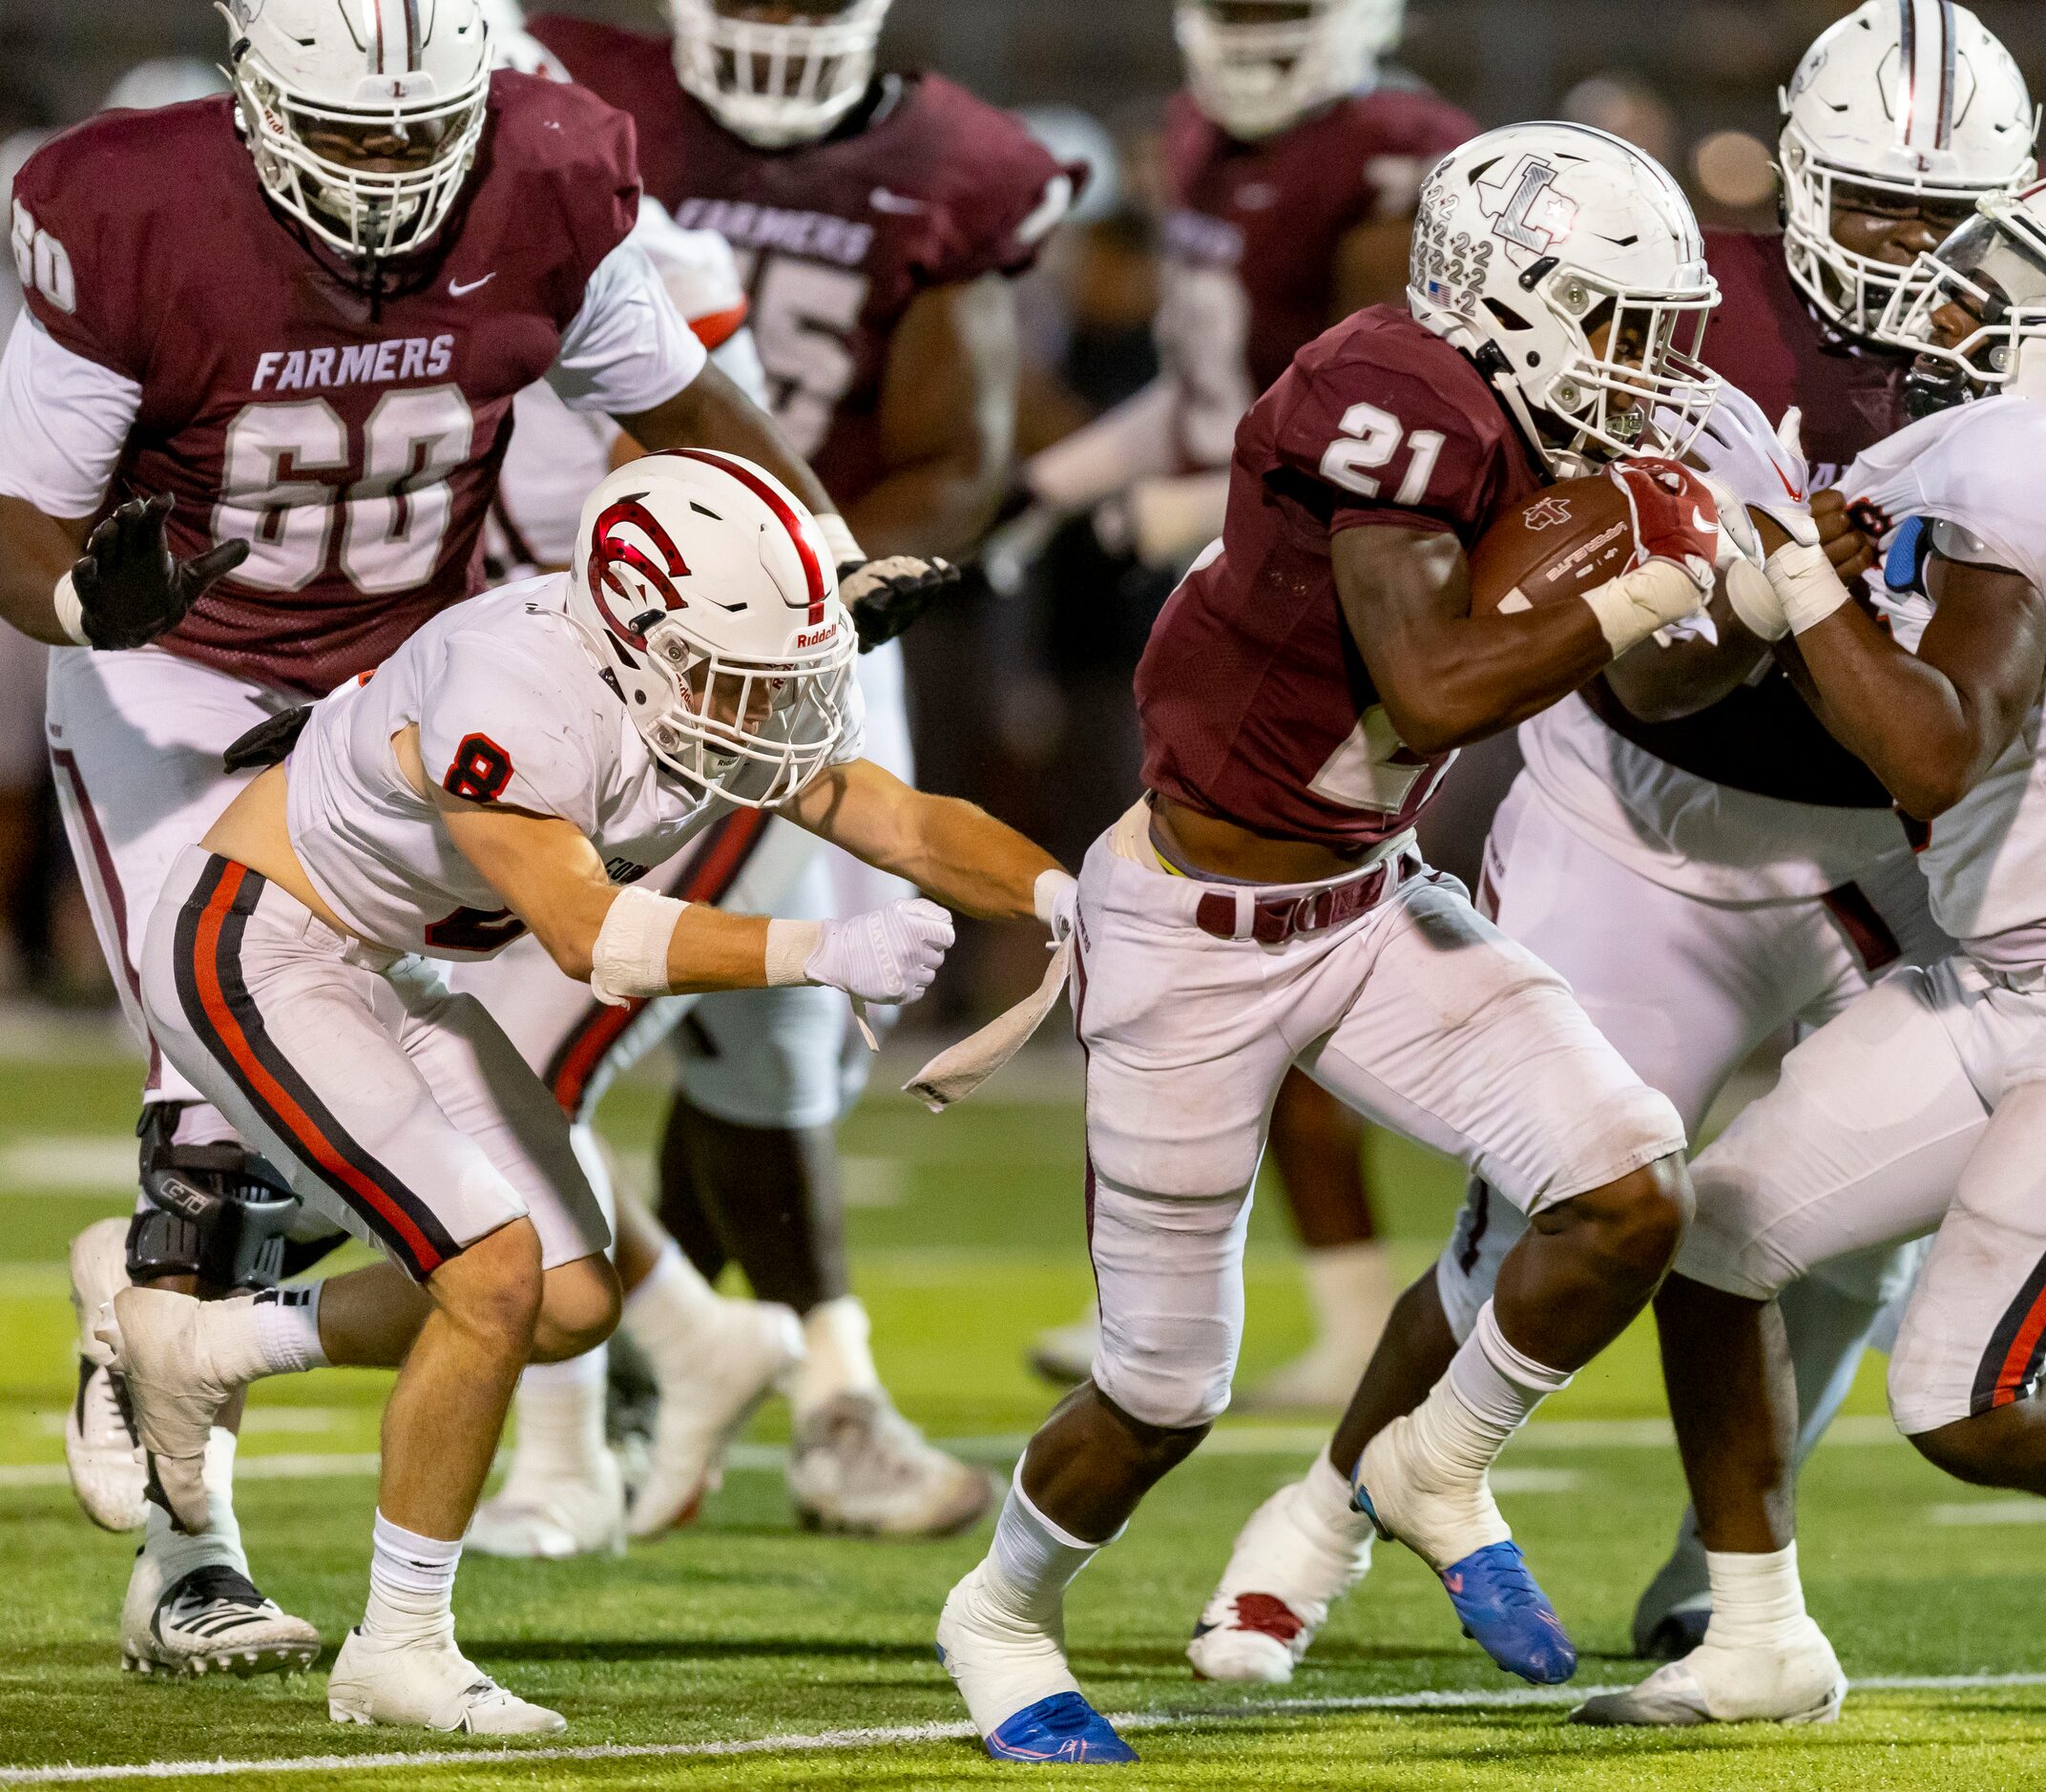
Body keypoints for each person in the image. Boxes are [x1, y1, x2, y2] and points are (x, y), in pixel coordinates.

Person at [1181, 0, 2046, 1704]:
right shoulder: (1686, 314)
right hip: (1646, 818)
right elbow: (1652, 661)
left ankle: (1989, 1569)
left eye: (1953, 218)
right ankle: (1316, 1519)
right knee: (1543, 1211)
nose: (1918, 257)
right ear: (1799, 170)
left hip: (1906, 845)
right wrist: (1754, 598)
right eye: (1880, 207)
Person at [5, 0, 908, 1677]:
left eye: (423, 135)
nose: (387, 176)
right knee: (216, 1107)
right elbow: (24, 524)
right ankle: (189, 1555)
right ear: (259, 93)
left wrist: (824, 559)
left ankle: (159, 1321)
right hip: (173, 680)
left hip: (397, 679)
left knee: (340, 1130)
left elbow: (686, 401)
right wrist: (74, 596)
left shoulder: (555, 177)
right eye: (349, 136)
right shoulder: (124, 208)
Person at [932, 121, 1735, 1763]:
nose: (1640, 369)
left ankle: (1434, 1456)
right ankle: (999, 1609)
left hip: (1365, 903)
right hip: (1192, 934)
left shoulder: (1535, 424)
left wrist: (1761, 600)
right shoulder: (1390, 393)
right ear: (1504, 297)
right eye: (1610, 322)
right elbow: (1437, 685)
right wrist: (1646, 583)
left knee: (1630, 1183)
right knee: (1162, 1392)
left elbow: (1644, 687)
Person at [94, 448, 1065, 1733]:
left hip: (386, 958)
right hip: (258, 940)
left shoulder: (684, 676)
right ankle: (398, 1644)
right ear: (634, 631)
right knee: (492, 1276)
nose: (760, 703)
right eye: (738, 672)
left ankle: (209, 1341)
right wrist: (823, 949)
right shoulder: (519, 685)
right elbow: (587, 938)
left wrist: (1071, 901)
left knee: (569, 1299)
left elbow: (904, 822)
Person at [1576, 170, 2046, 1737]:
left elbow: (1927, 751)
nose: (1951, 309)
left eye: (2005, 293)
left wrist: (1794, 575)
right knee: (1713, 1245)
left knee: (1959, 1397)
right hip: (2005, 974)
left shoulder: (2024, 462)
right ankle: (1758, 1635)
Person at [458, 0, 1075, 1543]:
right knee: (504, 1031)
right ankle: (683, 1389)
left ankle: (754, 1391)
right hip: (533, 641)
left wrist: (802, 598)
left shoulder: (900, 182)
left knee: (747, 1048)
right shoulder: (547, 100)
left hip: (764, 639)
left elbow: (937, 448)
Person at [1011, 0, 1476, 1412]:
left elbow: (1383, 419)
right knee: (1231, 957)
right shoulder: (1206, 134)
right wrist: (1056, 489)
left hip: (1353, 609)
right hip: (1245, 589)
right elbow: (1210, 385)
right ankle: (1291, 1312)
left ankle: (1429, 1294)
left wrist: (1176, 499)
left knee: (1260, 946)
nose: (1260, 30)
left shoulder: (1406, 163)